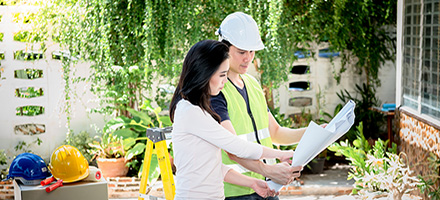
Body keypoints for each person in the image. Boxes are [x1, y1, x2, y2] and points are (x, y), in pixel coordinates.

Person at [212, 12, 324, 200]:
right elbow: (233, 149)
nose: (248, 58)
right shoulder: (216, 91)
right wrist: (271, 168)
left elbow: (275, 132)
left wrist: (314, 133)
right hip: (236, 192)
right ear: (224, 48)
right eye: (241, 52)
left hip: (268, 186)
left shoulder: (253, 84)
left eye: (252, 51)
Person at [169, 40, 296, 200]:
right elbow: (237, 147)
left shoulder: (199, 110)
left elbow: (213, 167)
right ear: (204, 74)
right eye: (222, 75)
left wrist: (252, 183)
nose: (225, 80)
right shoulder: (190, 112)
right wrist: (281, 154)